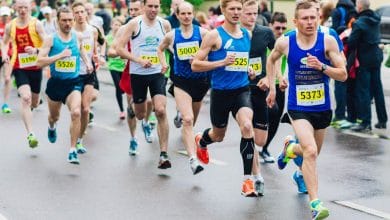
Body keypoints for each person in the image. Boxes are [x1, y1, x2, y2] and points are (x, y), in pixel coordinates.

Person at [266, 1, 347, 219]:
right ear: (296, 21)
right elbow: (271, 59)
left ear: (319, 18)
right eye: (305, 18)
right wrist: (272, 85)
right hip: (297, 106)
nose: (310, 22)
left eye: (313, 17)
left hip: (322, 107)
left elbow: (343, 74)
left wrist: (321, 66)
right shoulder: (286, 42)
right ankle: (316, 203)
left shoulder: (328, 40)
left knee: (312, 152)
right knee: (310, 151)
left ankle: (290, 149)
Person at [192, 0, 259, 196]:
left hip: (241, 89)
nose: (237, 12)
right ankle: (202, 140)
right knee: (218, 136)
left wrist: (248, 69)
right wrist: (220, 62)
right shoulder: (214, 35)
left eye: (240, 8)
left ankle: (248, 181)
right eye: (232, 9)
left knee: (247, 126)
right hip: (220, 93)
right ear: (223, 10)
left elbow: (241, 61)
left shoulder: (247, 34)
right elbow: (196, 64)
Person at [116, 0, 172, 169]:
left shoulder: (165, 25)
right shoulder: (134, 24)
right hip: (138, 74)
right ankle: (132, 109)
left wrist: (166, 61)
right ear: (143, 7)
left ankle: (163, 154)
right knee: (140, 115)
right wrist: (138, 60)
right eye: (150, 6)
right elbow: (119, 49)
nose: (153, 9)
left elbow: (170, 46)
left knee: (161, 110)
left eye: (156, 6)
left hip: (157, 73)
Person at [157, 2, 209, 175]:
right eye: (183, 14)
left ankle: (187, 126)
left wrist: (201, 57)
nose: (186, 17)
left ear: (193, 14)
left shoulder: (202, 33)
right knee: (188, 119)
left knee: (191, 121)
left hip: (201, 82)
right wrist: (164, 64)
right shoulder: (172, 35)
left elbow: (215, 50)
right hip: (181, 81)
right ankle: (193, 160)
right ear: (177, 15)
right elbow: (160, 49)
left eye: (189, 13)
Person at [37, 6, 93, 164]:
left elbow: (81, 50)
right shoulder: (51, 39)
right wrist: (59, 56)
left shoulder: (78, 36)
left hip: (73, 83)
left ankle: (72, 150)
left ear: (74, 20)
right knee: (54, 116)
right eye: (64, 20)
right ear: (58, 21)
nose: (68, 23)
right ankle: (52, 126)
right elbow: (39, 61)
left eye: (70, 20)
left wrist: (88, 62)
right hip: (56, 84)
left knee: (76, 112)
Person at [239, 0, 276, 195]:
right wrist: (243, 68)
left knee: (260, 140)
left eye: (254, 13)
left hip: (260, 88)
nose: (252, 17)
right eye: (248, 13)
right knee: (248, 130)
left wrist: (270, 80)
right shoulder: (235, 34)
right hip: (240, 88)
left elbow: (276, 56)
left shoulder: (265, 33)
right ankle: (256, 176)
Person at [1, 0, 46, 148]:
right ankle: (31, 134)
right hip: (19, 66)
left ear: (30, 8)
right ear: (15, 8)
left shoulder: (36, 24)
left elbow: (47, 44)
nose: (22, 10)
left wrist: (36, 50)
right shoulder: (10, 26)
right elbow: (5, 41)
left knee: (33, 101)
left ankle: (35, 102)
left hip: (36, 66)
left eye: (25, 7)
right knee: (25, 98)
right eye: (19, 7)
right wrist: (4, 54)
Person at [348, 0, 387, 131]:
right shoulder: (376, 19)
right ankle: (382, 120)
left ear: (359, 7)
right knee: (377, 89)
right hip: (376, 57)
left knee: (363, 91)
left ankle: (365, 123)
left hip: (364, 60)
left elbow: (352, 42)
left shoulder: (358, 23)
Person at [72, 1, 102, 153]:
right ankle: (74, 134)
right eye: (76, 12)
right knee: (75, 110)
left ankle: (79, 140)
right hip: (73, 74)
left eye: (82, 11)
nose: (80, 15)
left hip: (89, 72)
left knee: (85, 109)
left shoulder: (93, 31)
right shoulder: (70, 31)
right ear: (73, 15)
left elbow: (94, 51)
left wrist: (97, 57)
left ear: (86, 13)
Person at [258, 11, 288, 163]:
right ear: (270, 26)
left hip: (279, 86)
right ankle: (258, 140)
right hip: (265, 85)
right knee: (271, 112)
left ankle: (264, 148)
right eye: (277, 28)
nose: (280, 31)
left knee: (276, 118)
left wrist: (283, 79)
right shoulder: (266, 42)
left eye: (283, 28)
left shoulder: (285, 42)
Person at [107, 17, 126, 120]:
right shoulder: (108, 38)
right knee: (119, 88)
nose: (117, 27)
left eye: (119, 25)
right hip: (113, 66)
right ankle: (122, 110)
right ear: (111, 26)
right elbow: (104, 50)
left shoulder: (124, 38)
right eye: (115, 25)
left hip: (123, 67)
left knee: (123, 88)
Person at [0, 6, 12, 114]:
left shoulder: (12, 26)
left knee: (7, 79)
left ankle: (5, 103)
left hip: (8, 56)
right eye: (2, 15)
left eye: (6, 16)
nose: (4, 18)